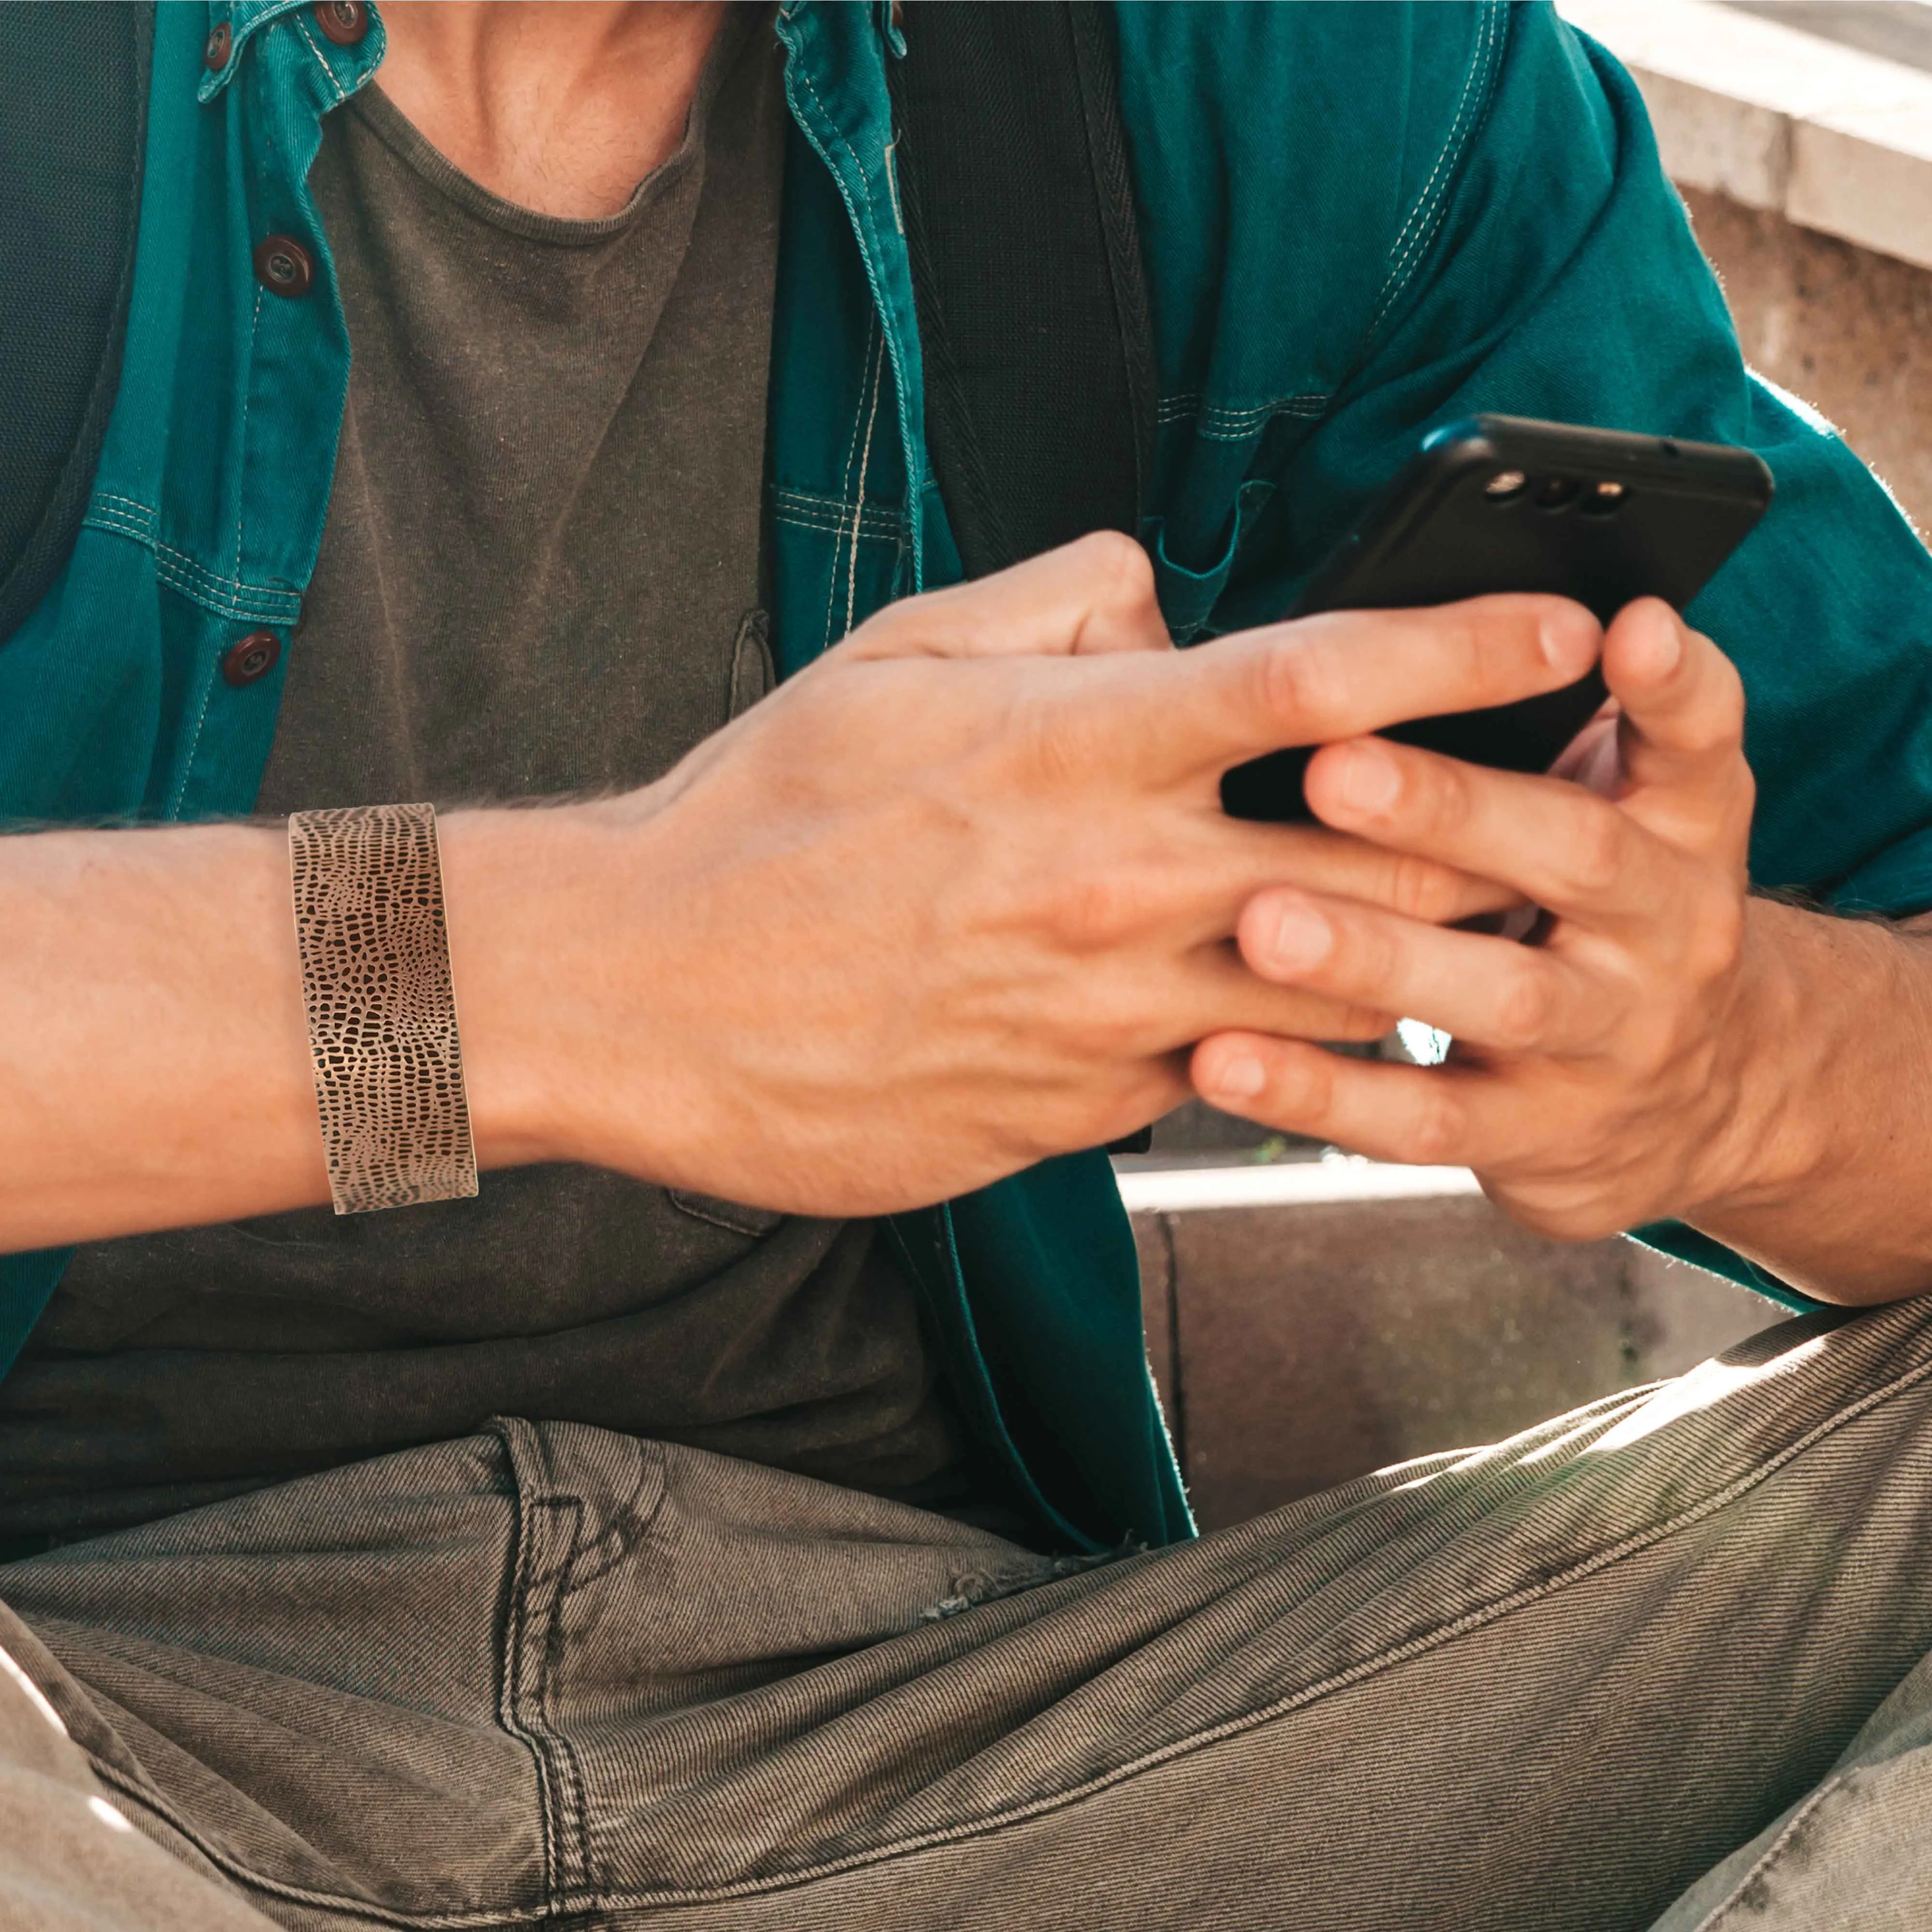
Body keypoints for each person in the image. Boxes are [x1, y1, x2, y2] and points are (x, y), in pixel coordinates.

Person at [4, 2, 1932, 1926]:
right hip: (68, 1735)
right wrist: (580, 972)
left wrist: (1735, 1063)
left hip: (1020, 1760)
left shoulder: (1283, 74)